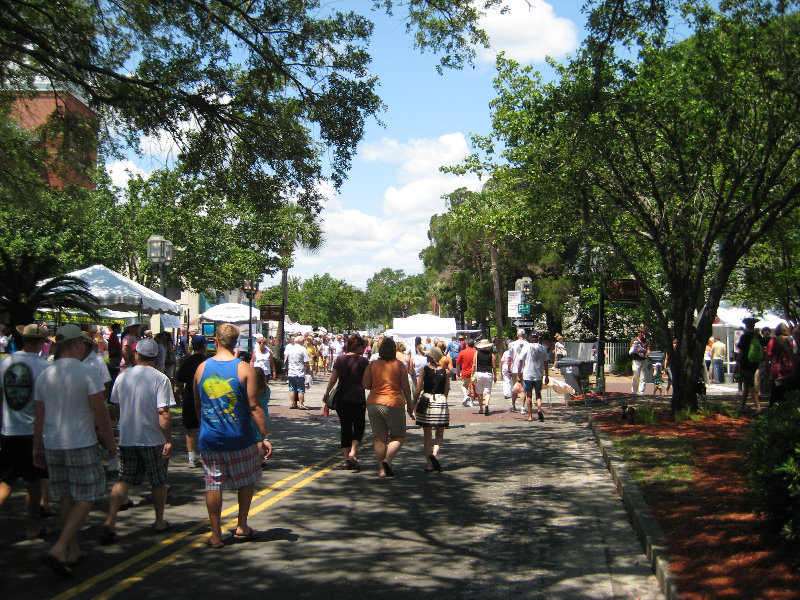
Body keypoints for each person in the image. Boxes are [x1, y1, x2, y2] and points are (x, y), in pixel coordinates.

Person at [33, 324, 116, 578]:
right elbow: (100, 412)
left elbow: (39, 415)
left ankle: (72, 550)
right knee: (87, 495)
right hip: (80, 441)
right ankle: (60, 548)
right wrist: (110, 441)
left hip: (53, 442)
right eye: (84, 343)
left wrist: (36, 447)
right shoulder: (86, 372)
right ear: (76, 344)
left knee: (66, 496)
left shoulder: (45, 374)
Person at [193, 323, 271, 548]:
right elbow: (255, 406)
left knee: (213, 484)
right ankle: (242, 525)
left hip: (210, 437)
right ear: (236, 343)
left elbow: (198, 404)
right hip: (240, 437)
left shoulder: (202, 368)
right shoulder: (245, 369)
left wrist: (204, 424)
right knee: (246, 480)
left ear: (215, 341)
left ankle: (216, 534)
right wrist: (264, 436)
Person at [100, 338, 174, 544]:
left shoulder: (123, 377)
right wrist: (168, 440)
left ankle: (111, 519)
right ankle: (159, 520)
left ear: (136, 355)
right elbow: (164, 412)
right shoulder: (161, 378)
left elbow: (115, 407)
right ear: (156, 356)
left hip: (128, 437)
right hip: (152, 439)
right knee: (158, 481)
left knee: (124, 478)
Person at [0, 324, 52, 540]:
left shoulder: (5, 363)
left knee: (6, 479)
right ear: (40, 343)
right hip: (32, 431)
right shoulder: (43, 366)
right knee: (34, 480)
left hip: (8, 429)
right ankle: (33, 526)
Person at [361, 337, 413, 478]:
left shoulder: (372, 365)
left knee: (379, 438)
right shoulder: (399, 365)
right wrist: (410, 403)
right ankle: (387, 460)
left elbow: (365, 384)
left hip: (374, 403)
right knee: (399, 436)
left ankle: (382, 470)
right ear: (394, 350)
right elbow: (405, 387)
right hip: (393, 403)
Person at [322, 334, 369, 471]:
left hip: (342, 398)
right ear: (358, 346)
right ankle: (353, 453)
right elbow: (367, 382)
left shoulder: (340, 359)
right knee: (359, 426)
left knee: (345, 428)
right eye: (363, 347)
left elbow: (333, 379)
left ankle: (345, 460)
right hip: (357, 397)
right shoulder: (363, 362)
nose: (364, 349)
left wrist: (327, 393)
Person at [413, 346, 450, 472]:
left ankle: (429, 464)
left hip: (427, 399)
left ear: (431, 357)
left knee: (427, 435)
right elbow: (446, 390)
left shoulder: (424, 369)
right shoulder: (446, 372)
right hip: (440, 400)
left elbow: (418, 389)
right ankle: (434, 454)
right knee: (439, 434)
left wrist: (413, 403)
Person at [175, 334, 208, 468]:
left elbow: (179, 379)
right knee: (206, 427)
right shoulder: (208, 361)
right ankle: (206, 455)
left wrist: (182, 392)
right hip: (206, 395)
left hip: (189, 394)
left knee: (191, 428)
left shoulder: (187, 361)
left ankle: (192, 457)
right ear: (205, 346)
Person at [516, 332, 550, 422]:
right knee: (538, 394)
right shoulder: (542, 348)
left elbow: (520, 361)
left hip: (528, 375)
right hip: (538, 374)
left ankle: (530, 415)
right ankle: (539, 409)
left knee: (529, 395)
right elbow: (546, 363)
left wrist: (519, 373)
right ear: (538, 338)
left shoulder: (526, 347)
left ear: (530, 338)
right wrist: (546, 375)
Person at [765, 323, 797, 406]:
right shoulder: (791, 340)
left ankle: (773, 408)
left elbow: (768, 355)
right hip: (789, 367)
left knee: (774, 391)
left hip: (776, 368)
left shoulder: (773, 340)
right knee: (788, 391)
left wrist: (766, 366)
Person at [736, 317, 763, 413]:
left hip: (745, 363)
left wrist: (737, 363)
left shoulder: (744, 337)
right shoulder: (758, 336)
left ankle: (758, 407)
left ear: (746, 326)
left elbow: (741, 352)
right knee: (747, 385)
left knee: (750, 384)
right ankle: (741, 407)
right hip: (755, 362)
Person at [284, 335, 311, 409]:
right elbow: (306, 362)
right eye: (303, 341)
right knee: (300, 389)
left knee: (292, 388)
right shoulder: (303, 349)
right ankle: (301, 404)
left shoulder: (290, 349)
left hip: (291, 372)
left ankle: (293, 404)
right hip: (299, 372)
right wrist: (309, 372)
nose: (304, 342)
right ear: (301, 342)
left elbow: (286, 360)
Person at [251, 367, 271, 467]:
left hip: (252, 414)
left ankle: (253, 459)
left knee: (253, 437)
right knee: (260, 438)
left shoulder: (250, 389)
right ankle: (259, 459)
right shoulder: (266, 389)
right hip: (263, 414)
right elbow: (267, 400)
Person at [472, 339, 496, 416]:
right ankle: (486, 405)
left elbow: (474, 365)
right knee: (487, 392)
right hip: (488, 373)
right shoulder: (491, 355)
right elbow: (494, 366)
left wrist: (472, 374)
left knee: (479, 392)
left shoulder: (476, 354)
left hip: (479, 373)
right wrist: (495, 375)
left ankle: (481, 408)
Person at [508, 329, 527, 412]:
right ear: (524, 335)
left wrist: (509, 369)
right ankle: (522, 406)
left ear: (517, 335)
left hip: (515, 368)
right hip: (525, 368)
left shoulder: (512, 344)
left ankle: (513, 404)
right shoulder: (528, 344)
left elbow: (509, 358)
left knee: (515, 387)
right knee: (523, 388)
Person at [455, 338, 477, 407]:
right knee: (472, 387)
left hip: (465, 372)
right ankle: (471, 401)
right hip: (474, 373)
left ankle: (465, 395)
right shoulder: (476, 352)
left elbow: (458, 363)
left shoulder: (462, 352)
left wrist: (457, 371)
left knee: (463, 385)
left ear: (466, 344)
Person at [629, 329, 650, 395]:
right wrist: (637, 351)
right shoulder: (634, 340)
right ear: (638, 333)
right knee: (636, 375)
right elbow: (631, 350)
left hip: (643, 360)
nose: (641, 334)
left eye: (642, 333)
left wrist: (646, 354)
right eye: (640, 332)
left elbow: (648, 349)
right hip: (636, 360)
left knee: (643, 376)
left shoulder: (646, 341)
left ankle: (641, 392)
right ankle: (634, 391)